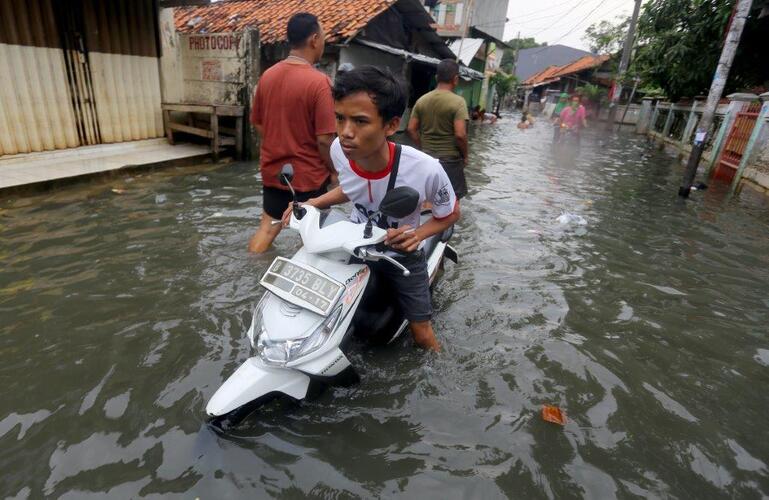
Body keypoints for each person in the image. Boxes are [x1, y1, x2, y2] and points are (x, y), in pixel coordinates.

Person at [283, 66, 460, 352]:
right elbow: (351, 188)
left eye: (360, 121)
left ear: (391, 125)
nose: (345, 132)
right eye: (340, 118)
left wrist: (417, 235)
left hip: (400, 253)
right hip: (353, 243)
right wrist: (313, 203)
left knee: (423, 336)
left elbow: (451, 213)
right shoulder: (339, 151)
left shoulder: (426, 169)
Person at [247, 13, 336, 253]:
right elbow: (326, 139)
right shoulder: (320, 83)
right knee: (311, 235)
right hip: (309, 175)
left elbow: (258, 124)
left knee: (267, 228)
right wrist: (335, 171)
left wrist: (280, 143)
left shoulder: (267, 77)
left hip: (274, 171)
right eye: (324, 37)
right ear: (314, 39)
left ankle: (255, 268)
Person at [406, 59, 470, 198]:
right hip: (450, 161)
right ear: (456, 79)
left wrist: (423, 147)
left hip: (427, 158)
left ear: (436, 78)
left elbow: (411, 129)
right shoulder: (458, 102)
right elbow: (460, 134)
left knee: (428, 199)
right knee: (451, 202)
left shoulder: (422, 100)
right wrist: (465, 156)